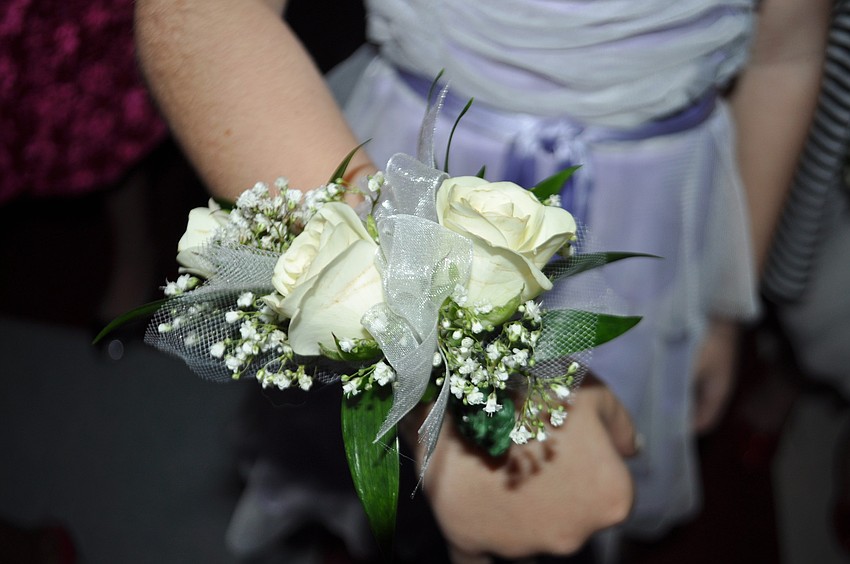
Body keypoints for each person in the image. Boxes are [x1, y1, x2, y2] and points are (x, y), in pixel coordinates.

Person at [133, 0, 829, 562]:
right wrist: (451, 394)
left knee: (588, 474)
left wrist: (723, 307)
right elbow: (203, 14)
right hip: (419, 170)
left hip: (652, 208)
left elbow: (787, 54)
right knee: (377, 478)